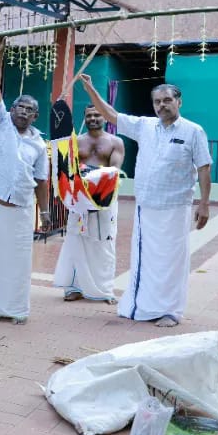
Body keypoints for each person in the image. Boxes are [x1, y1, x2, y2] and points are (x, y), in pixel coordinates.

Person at [78, 75, 211, 327]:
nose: (162, 105)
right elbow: (112, 115)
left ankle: (170, 310)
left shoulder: (193, 131)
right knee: (145, 258)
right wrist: (91, 90)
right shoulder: (144, 126)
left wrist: (204, 203)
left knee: (172, 260)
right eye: (157, 101)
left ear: (179, 102)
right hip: (146, 206)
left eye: (167, 100)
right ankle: (140, 306)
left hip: (175, 207)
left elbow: (204, 168)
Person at [0, 40, 50, 324]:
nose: (22, 111)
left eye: (28, 109)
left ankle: (14, 310)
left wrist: (44, 213)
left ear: (35, 115)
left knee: (18, 263)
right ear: (11, 110)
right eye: (18, 106)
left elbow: (42, 181)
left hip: (21, 210)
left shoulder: (39, 144)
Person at [53, 105, 125, 303]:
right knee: (76, 241)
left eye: (97, 114)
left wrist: (94, 181)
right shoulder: (75, 142)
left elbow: (114, 171)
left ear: (104, 117)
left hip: (105, 197)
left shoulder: (115, 142)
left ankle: (105, 290)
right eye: (89, 115)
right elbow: (68, 169)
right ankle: (74, 288)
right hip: (79, 199)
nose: (93, 118)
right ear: (84, 117)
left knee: (104, 243)